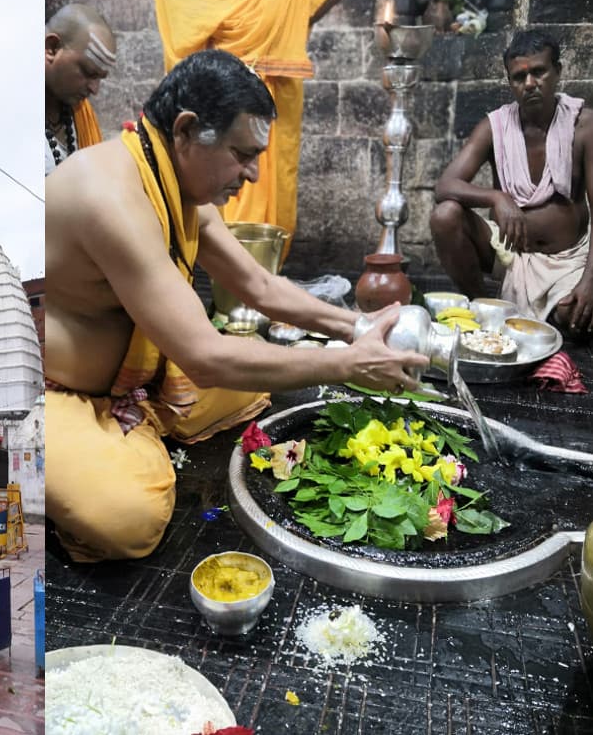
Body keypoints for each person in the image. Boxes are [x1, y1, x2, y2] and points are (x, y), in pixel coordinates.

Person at [45, 49, 428, 563]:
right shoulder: (108, 195)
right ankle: (103, 443)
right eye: (242, 153)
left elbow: (261, 288)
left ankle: (139, 420)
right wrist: (347, 366)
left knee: (256, 376)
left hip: (142, 378)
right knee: (127, 520)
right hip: (59, 391)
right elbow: (203, 356)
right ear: (185, 130)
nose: (251, 175)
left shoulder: (171, 176)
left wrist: (356, 326)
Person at [154, 0, 344, 262]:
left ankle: (248, 275)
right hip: (219, 94)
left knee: (256, 190)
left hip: (269, 89)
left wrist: (282, 21)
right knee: (219, 190)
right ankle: (236, 275)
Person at [430, 29, 593, 335]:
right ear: (510, 82)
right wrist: (497, 198)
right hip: (511, 255)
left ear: (557, 72)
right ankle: (482, 307)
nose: (529, 84)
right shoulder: (495, 126)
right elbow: (445, 186)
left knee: (579, 319)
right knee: (445, 215)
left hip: (568, 262)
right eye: (519, 77)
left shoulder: (584, 126)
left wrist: (589, 282)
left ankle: (557, 309)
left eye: (538, 72)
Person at [45, 3, 116, 174]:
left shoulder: (82, 113)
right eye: (88, 72)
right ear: (52, 48)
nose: (95, 89)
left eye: (99, 78)